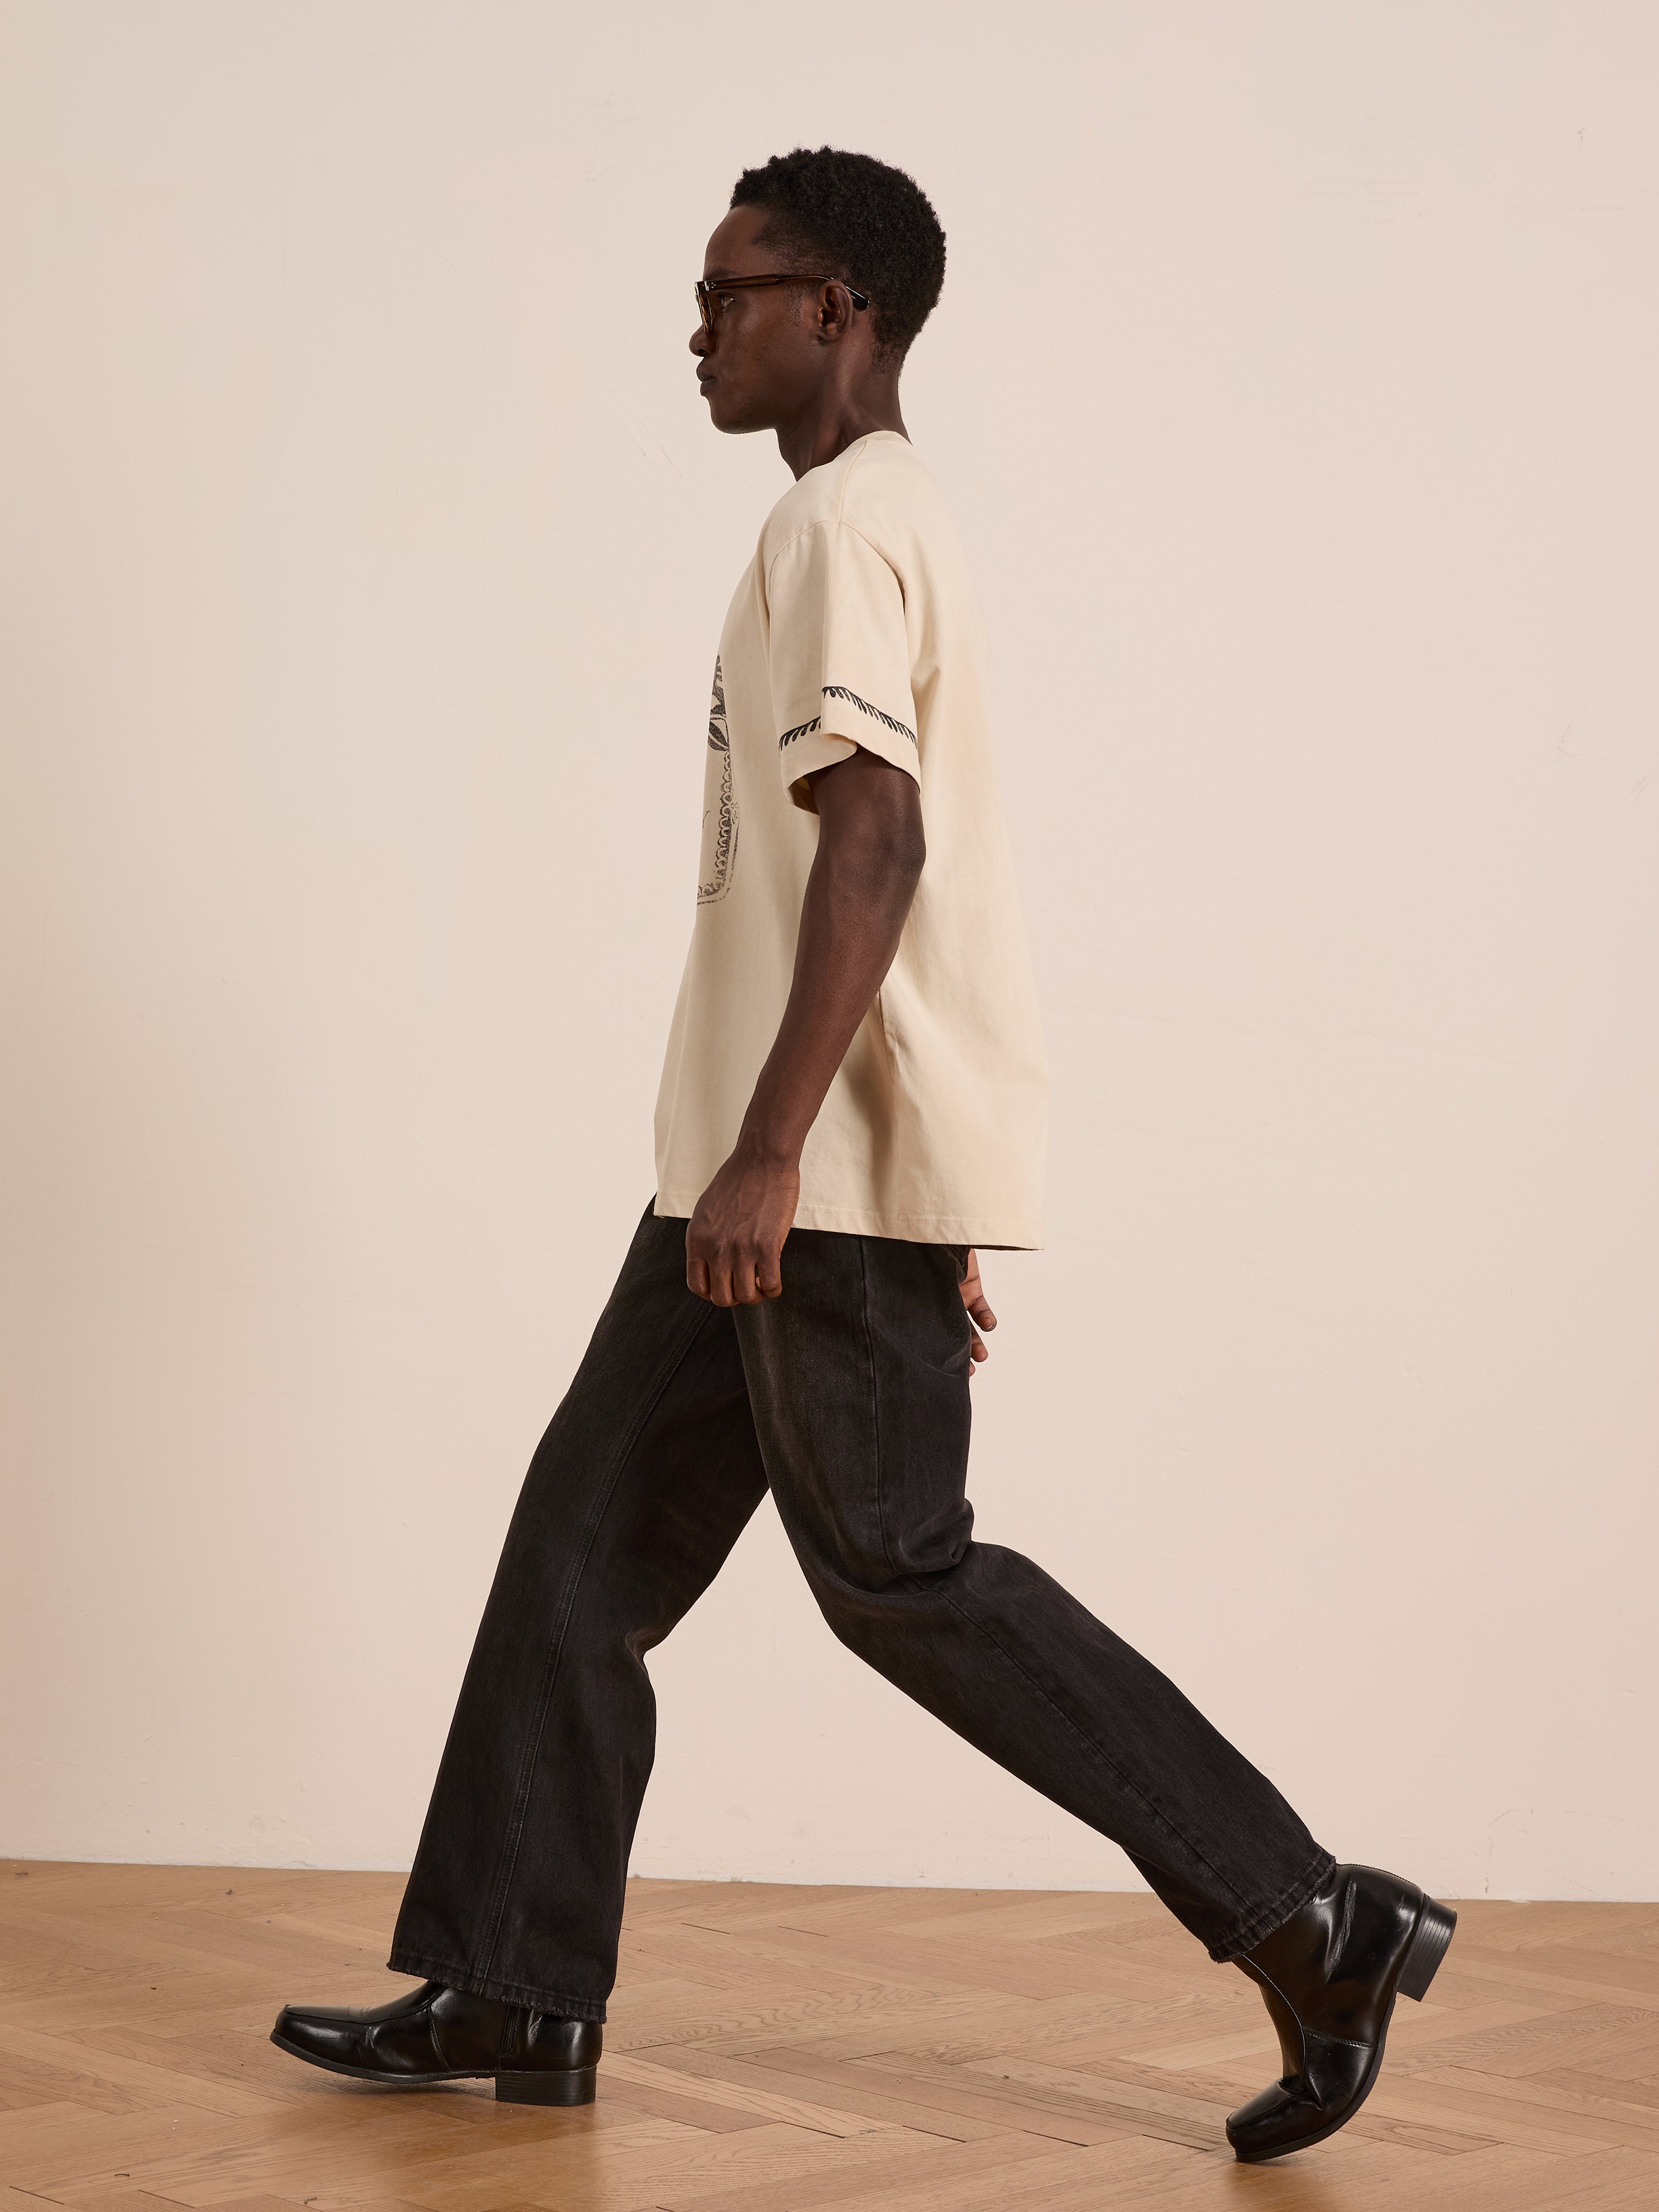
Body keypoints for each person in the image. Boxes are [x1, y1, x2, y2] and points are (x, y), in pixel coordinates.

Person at [271, 146, 1453, 2163]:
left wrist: (792, 1151)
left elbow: (879, 846)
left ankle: (1310, 1915)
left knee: (898, 1572)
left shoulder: (843, 525)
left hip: (778, 1173)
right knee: (577, 1556)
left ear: (841, 311)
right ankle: (514, 1979)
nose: (700, 329)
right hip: (756, 1178)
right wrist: (842, 1164)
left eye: (732, 292)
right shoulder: (862, 520)